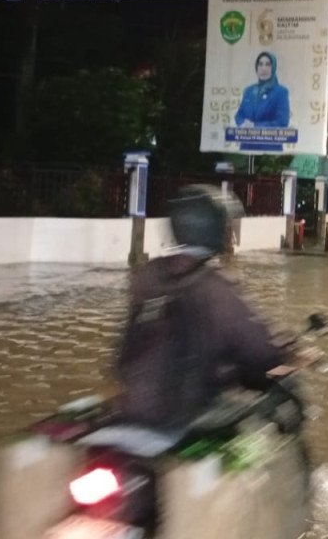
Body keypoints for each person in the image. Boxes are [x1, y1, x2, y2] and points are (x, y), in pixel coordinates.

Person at [115, 185, 287, 432]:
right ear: (216, 228)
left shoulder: (149, 274)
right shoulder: (215, 287)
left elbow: (123, 357)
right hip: (184, 421)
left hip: (132, 411)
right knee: (256, 429)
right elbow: (261, 354)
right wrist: (283, 358)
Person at [234, 51, 290, 129]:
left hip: (269, 140)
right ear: (256, 68)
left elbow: (282, 122)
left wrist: (255, 126)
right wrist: (243, 123)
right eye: (260, 64)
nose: (263, 69)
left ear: (273, 68)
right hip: (247, 140)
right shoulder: (249, 91)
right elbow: (239, 116)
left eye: (268, 65)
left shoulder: (281, 92)